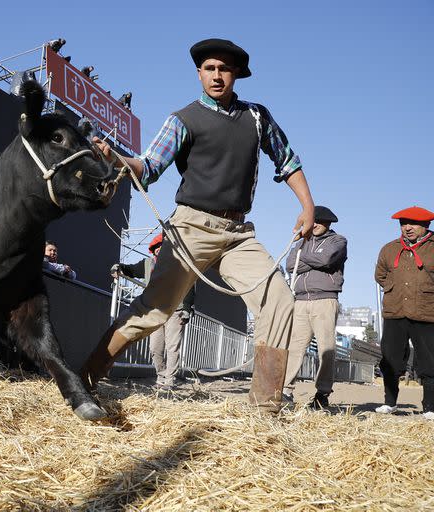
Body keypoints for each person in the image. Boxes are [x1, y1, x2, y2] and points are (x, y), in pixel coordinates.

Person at [79, 38, 315, 412]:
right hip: (191, 227)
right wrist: (120, 160)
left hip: (238, 234)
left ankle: (265, 409)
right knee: (155, 309)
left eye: (224, 69)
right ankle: (87, 378)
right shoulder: (183, 119)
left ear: (236, 74)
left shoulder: (257, 117)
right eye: (209, 69)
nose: (216, 75)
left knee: (280, 301)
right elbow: (149, 166)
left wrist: (307, 206)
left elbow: (287, 160)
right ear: (199, 73)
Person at [112, 233, 196, 389]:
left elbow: (189, 286)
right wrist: (118, 267)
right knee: (155, 347)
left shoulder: (178, 264)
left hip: (175, 310)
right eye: (156, 248)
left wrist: (187, 308)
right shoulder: (147, 264)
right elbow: (129, 269)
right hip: (155, 312)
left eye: (162, 247)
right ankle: (162, 375)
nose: (159, 250)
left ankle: (170, 380)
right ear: (153, 250)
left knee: (172, 346)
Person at [283, 206, 347, 409]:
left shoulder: (338, 241)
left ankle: (322, 393)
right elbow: (290, 265)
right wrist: (312, 260)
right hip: (300, 300)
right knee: (294, 348)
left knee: (326, 349)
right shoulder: (302, 242)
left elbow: (327, 260)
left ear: (328, 223)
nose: (316, 224)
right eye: (313, 220)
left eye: (320, 221)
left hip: (325, 300)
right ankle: (285, 390)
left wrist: (304, 259)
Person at [374, 206, 434, 420]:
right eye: (403, 223)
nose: (407, 227)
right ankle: (389, 402)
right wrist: (393, 287)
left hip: (427, 312)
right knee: (390, 359)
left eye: (412, 223)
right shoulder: (389, 249)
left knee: (429, 361)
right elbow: (380, 274)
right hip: (395, 311)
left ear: (426, 225)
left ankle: (430, 407)